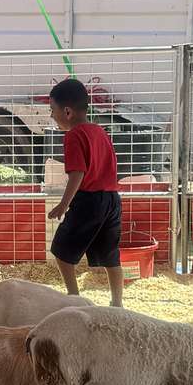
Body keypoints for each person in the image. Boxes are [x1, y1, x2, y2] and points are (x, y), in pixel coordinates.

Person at [47, 77, 123, 306]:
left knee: (61, 251)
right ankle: (117, 302)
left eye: (53, 110)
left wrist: (63, 204)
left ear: (67, 111)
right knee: (111, 256)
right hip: (111, 199)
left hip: (89, 200)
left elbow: (77, 173)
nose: (52, 115)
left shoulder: (73, 136)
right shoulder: (100, 131)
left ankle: (74, 299)